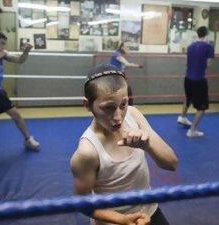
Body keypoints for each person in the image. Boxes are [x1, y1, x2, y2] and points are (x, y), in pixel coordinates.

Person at [70, 64, 178, 225]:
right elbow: (82, 203)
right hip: (113, 221)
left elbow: (172, 164)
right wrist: (123, 219)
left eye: (123, 104)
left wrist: (148, 145)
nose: (118, 117)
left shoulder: (133, 114)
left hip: (149, 211)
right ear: (87, 105)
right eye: (108, 108)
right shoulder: (88, 152)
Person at [0, 31, 40, 150]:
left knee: (16, 115)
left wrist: (26, 51)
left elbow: (20, 60)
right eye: (2, 43)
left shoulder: (2, 54)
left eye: (5, 44)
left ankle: (28, 139)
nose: (4, 47)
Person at [177, 26, 214, 138]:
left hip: (188, 78)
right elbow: (209, 64)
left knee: (188, 98)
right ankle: (192, 130)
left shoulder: (190, 46)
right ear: (207, 34)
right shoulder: (208, 47)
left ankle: (182, 117)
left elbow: (186, 62)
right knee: (202, 108)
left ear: (198, 34)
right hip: (199, 80)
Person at [110, 41, 143, 106]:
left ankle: (127, 105)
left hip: (119, 74)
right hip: (115, 75)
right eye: (126, 47)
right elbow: (127, 64)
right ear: (122, 47)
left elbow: (124, 65)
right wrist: (137, 65)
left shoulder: (118, 54)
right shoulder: (116, 54)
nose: (127, 48)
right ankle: (128, 105)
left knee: (125, 89)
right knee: (126, 89)